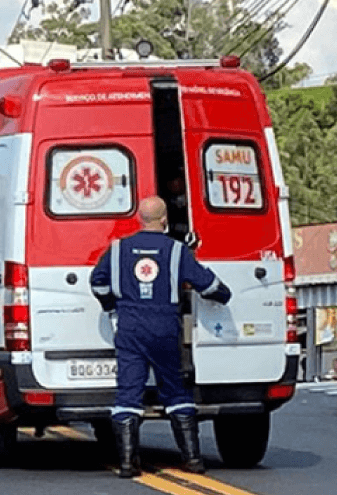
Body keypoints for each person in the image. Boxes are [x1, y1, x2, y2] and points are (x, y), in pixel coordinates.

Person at [89, 196, 232, 478]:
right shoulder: (177, 250)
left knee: (128, 393)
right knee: (176, 391)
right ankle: (192, 460)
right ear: (164, 219)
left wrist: (111, 307)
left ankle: (129, 464)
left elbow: (97, 282)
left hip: (130, 329)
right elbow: (209, 284)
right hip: (165, 327)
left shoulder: (118, 249)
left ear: (139, 218)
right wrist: (223, 295)